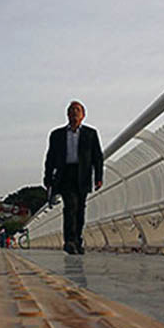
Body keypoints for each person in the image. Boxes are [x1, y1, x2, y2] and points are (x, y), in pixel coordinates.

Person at [43, 100, 103, 255]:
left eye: (77, 110)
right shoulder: (57, 135)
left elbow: (98, 157)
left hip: (83, 173)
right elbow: (50, 158)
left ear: (83, 115)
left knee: (80, 209)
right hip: (65, 174)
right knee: (70, 206)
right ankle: (69, 241)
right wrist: (48, 178)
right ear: (67, 114)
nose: (74, 113)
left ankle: (78, 240)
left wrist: (98, 177)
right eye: (71, 110)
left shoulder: (90, 134)